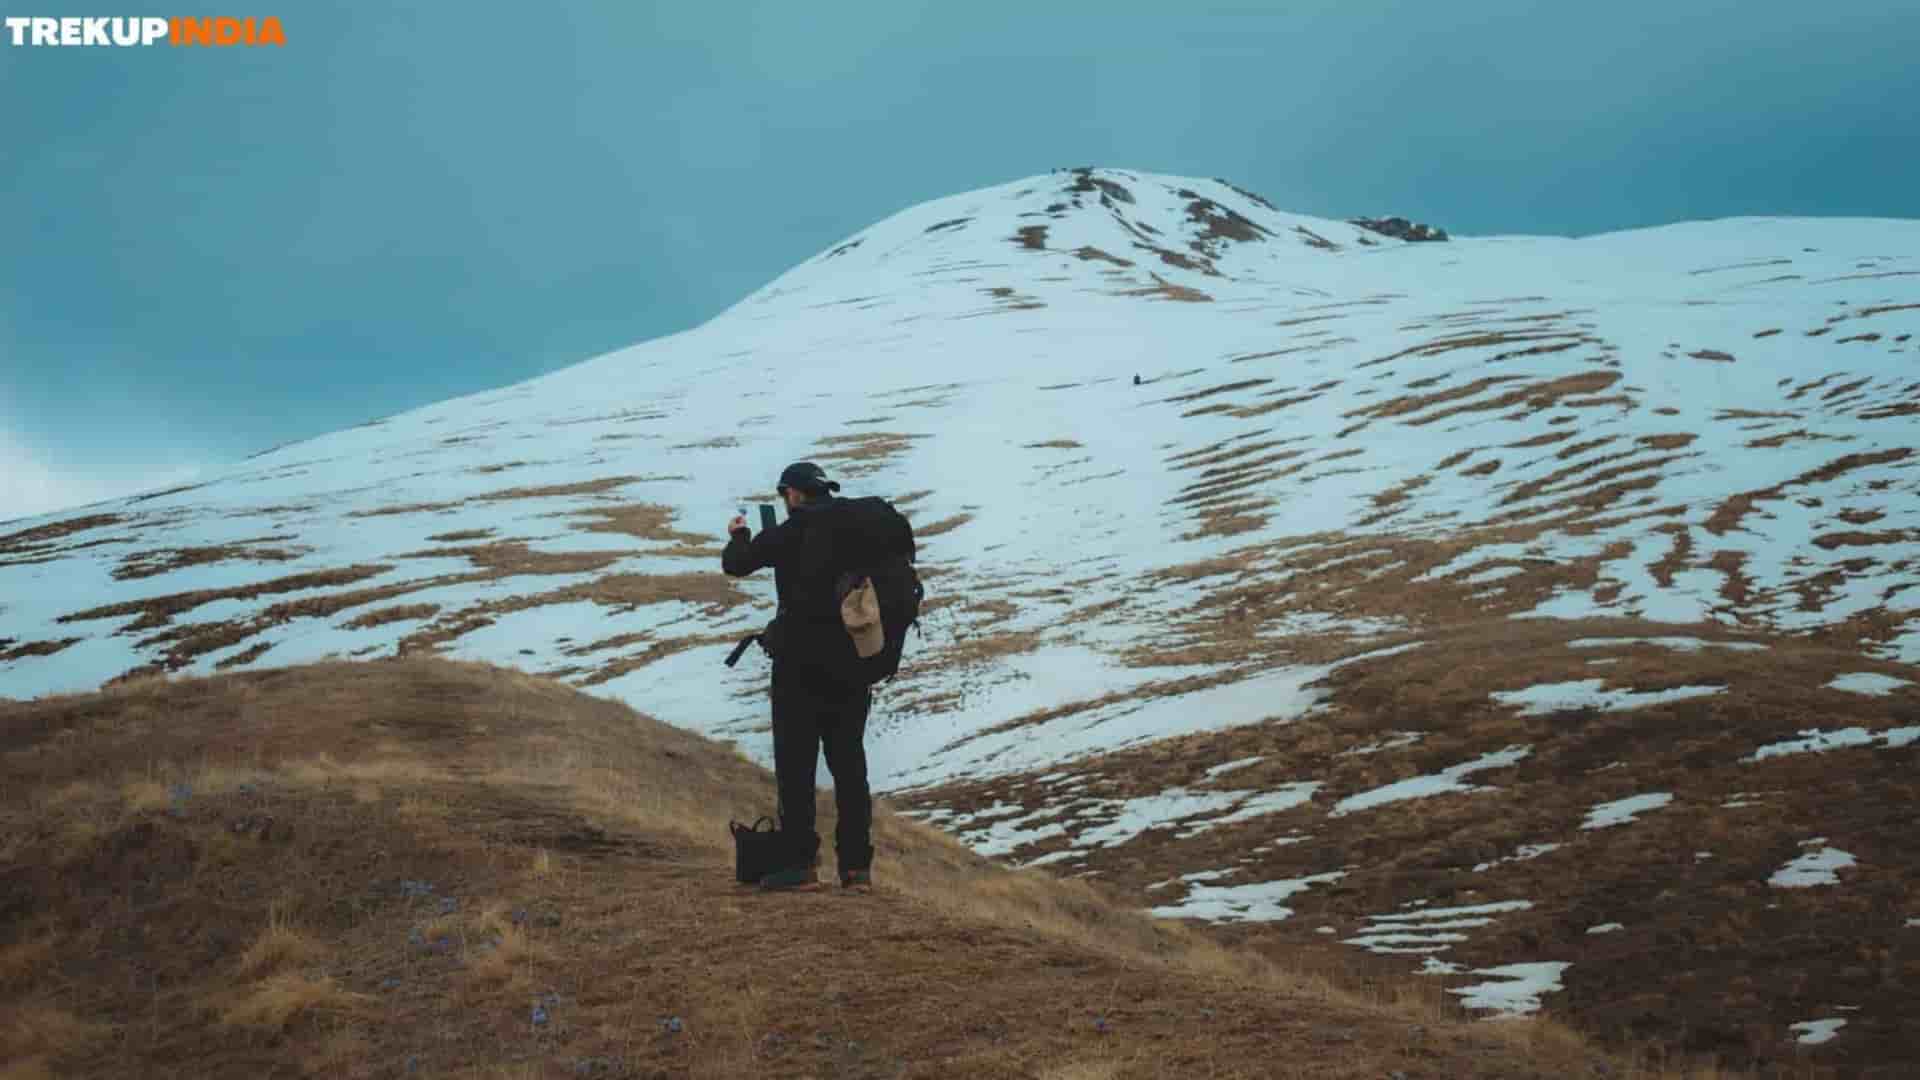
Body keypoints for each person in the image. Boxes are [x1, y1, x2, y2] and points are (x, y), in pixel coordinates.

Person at [722, 461, 875, 893]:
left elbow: (737, 563)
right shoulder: (857, 527)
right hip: (851, 667)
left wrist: (739, 535)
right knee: (849, 767)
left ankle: (800, 864)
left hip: (799, 669)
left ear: (793, 494)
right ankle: (857, 870)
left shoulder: (792, 531)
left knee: (796, 767)